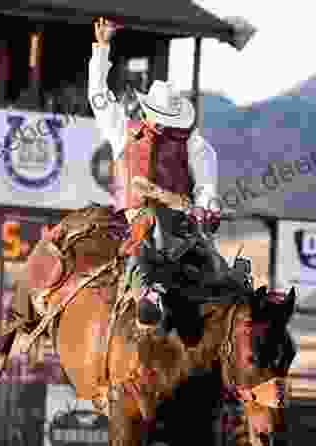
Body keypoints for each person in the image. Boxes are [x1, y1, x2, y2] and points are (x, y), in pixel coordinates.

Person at [89, 18, 222, 332]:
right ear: (148, 114)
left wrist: (208, 205)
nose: (165, 127)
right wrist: (102, 49)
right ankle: (146, 291)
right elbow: (98, 94)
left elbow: (206, 184)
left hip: (180, 218)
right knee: (143, 231)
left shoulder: (195, 144)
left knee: (215, 268)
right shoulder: (123, 129)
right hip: (135, 213)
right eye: (160, 119)